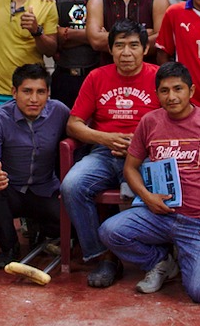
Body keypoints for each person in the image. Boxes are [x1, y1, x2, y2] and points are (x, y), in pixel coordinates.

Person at [98, 62, 200, 303]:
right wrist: (147, 197)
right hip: (157, 215)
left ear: (192, 91)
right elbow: (130, 168)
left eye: (178, 89)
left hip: (199, 221)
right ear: (156, 95)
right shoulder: (149, 122)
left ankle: (196, 258)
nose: (172, 96)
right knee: (110, 231)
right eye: (164, 91)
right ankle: (161, 261)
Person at [59, 19, 160, 288]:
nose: (126, 53)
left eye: (133, 46)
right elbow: (74, 124)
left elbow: (176, 122)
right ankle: (104, 256)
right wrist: (105, 138)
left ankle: (158, 256)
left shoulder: (159, 77)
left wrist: (140, 144)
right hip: (104, 152)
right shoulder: (97, 77)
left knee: (165, 187)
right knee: (72, 185)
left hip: (147, 156)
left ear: (145, 49)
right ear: (111, 50)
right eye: (120, 46)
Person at [0, 64, 68, 269]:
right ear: (14, 92)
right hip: (12, 190)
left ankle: (41, 231)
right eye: (27, 91)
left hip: (46, 189)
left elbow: (77, 139)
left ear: (48, 93)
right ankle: (9, 248)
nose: (34, 99)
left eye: (41, 92)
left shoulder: (60, 111)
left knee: (68, 227)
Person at [49, 0, 105, 108]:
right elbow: (51, 38)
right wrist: (93, 35)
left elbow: (108, 39)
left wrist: (68, 34)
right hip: (64, 77)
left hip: (98, 75)